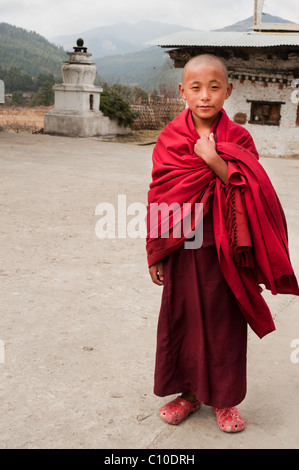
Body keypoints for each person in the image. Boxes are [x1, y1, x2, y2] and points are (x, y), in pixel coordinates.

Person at [146, 54, 299, 433]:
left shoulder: (239, 138)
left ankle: (225, 400)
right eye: (195, 87)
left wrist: (213, 158)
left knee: (223, 322)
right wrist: (156, 249)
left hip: (226, 248)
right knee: (183, 318)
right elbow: (160, 196)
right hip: (184, 246)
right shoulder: (170, 138)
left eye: (214, 87)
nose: (205, 96)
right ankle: (188, 394)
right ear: (182, 90)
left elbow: (247, 187)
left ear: (228, 91)